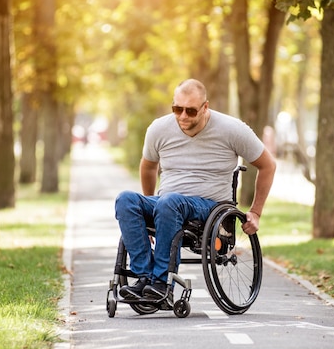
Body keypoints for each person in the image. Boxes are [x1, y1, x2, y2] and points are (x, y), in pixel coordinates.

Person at [115, 78, 276, 301]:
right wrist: (150, 209)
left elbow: (268, 165)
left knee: (169, 202)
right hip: (166, 203)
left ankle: (162, 283)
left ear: (205, 107)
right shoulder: (159, 129)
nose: (182, 116)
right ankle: (145, 277)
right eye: (177, 109)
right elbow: (148, 166)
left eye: (190, 111)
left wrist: (256, 212)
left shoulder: (232, 129)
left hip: (209, 207)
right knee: (125, 200)